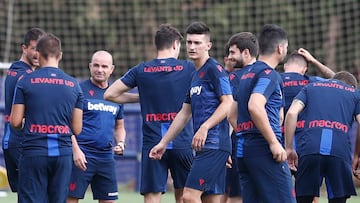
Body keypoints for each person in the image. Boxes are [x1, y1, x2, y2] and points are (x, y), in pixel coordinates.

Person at [104, 24, 195, 203]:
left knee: (152, 196)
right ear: (176, 45)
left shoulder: (141, 69)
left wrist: (139, 98)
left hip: (153, 142)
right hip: (181, 142)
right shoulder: (188, 68)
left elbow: (109, 94)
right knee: (185, 196)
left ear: (157, 45)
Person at [148, 21, 233, 203]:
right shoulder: (195, 75)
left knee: (189, 196)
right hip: (204, 148)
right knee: (211, 200)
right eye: (189, 42)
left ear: (208, 46)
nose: (192, 47)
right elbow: (184, 113)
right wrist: (163, 142)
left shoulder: (215, 69)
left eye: (197, 43)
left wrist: (204, 127)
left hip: (214, 145)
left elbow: (228, 103)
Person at [10, 33, 83, 203]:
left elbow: (15, 122)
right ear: (60, 56)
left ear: (38, 54)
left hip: (33, 152)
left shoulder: (24, 81)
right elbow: (77, 129)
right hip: (62, 155)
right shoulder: (74, 85)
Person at [228, 24, 296, 203]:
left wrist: (246, 133)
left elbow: (231, 115)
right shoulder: (269, 74)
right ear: (280, 48)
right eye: (286, 47)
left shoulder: (244, 75)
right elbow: (255, 106)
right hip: (265, 151)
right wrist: (273, 142)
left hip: (244, 153)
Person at [285, 71, 360, 203]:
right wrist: (357, 156)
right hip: (339, 152)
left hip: (309, 149)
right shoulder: (354, 94)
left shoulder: (310, 87)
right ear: (351, 87)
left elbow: (291, 113)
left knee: (303, 198)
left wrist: (289, 148)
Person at [67, 50, 126, 203]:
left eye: (104, 66)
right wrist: (76, 151)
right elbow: (67, 124)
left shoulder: (115, 94)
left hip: (106, 157)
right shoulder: (78, 90)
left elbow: (119, 127)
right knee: (70, 199)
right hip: (82, 155)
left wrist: (121, 143)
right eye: (96, 65)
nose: (100, 70)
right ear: (90, 66)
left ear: (111, 69)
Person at [2, 27, 45, 193]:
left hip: (13, 141)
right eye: (34, 48)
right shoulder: (26, 76)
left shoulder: (14, 70)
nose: (37, 54)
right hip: (21, 143)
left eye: (40, 49)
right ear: (24, 48)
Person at [222, 32, 259, 203]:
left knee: (231, 193)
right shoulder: (268, 74)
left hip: (241, 144)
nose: (229, 58)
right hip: (244, 144)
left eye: (232, 53)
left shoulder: (235, 77)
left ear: (246, 53)